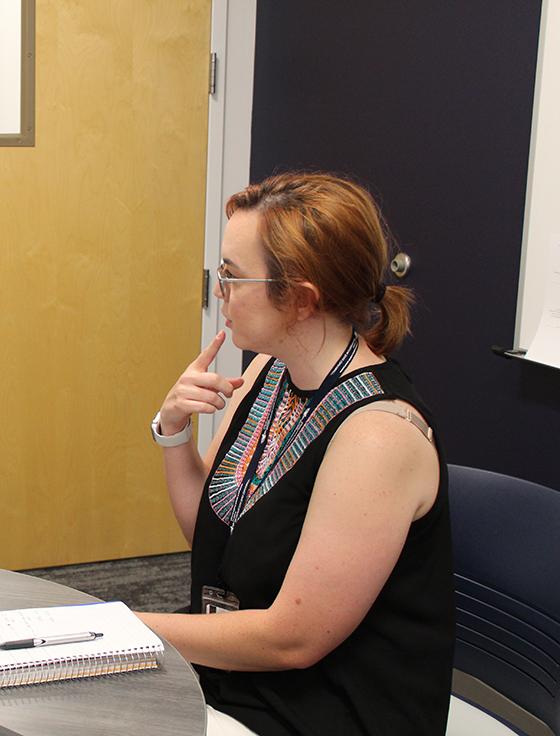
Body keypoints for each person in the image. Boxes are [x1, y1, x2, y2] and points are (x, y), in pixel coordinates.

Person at [139, 172, 453, 734]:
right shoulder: (267, 373)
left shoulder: (377, 435)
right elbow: (214, 542)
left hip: (324, 707)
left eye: (233, 277)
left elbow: (292, 640)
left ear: (302, 299)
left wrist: (123, 624)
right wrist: (174, 430)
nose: (220, 293)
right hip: (237, 676)